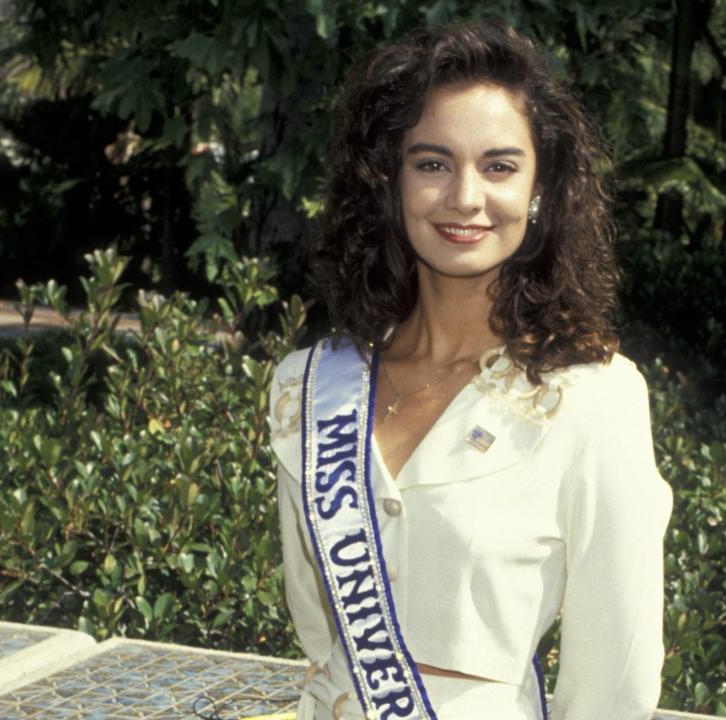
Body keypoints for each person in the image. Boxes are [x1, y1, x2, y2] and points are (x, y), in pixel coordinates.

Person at [268, 19, 672, 720]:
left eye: (499, 166)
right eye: (431, 163)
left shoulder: (594, 400)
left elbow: (618, 678)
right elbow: (317, 629)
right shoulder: (306, 386)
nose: (464, 197)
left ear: (541, 189)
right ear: (390, 182)